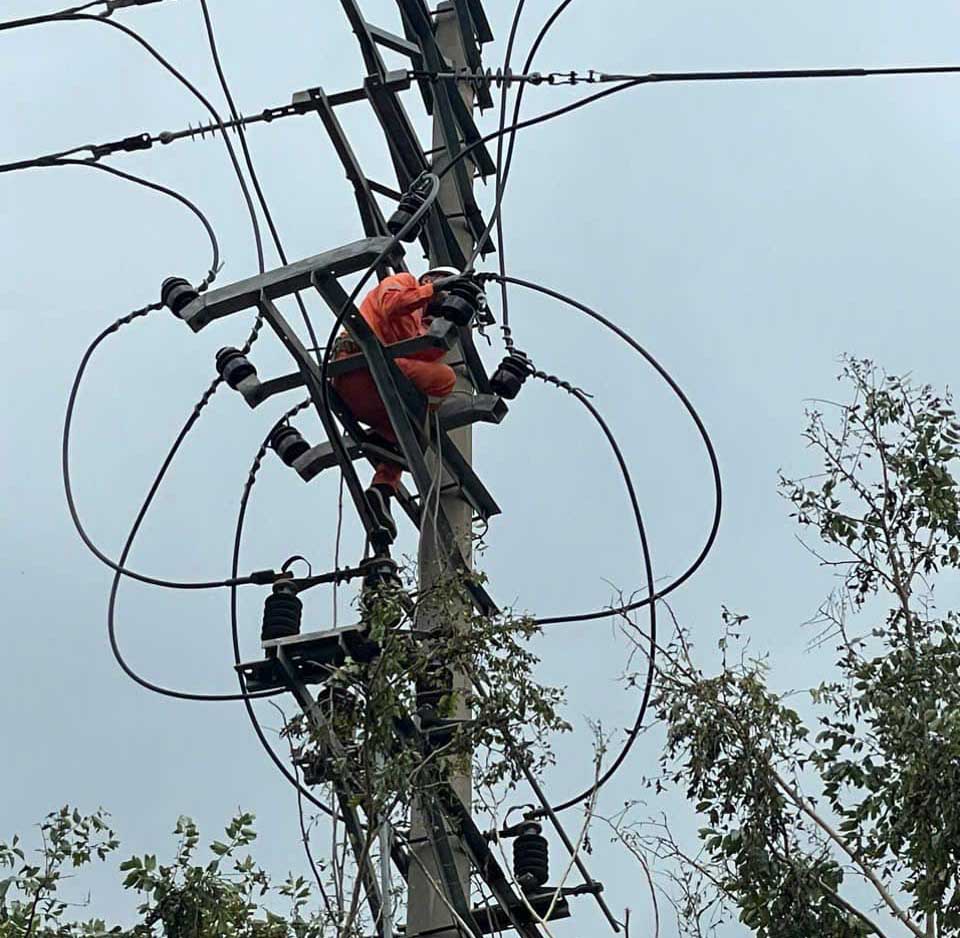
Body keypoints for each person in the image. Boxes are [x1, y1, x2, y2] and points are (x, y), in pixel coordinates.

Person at [332, 266, 464, 541]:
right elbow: (392, 304)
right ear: (429, 279)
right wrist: (433, 291)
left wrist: (456, 317)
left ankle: (382, 489)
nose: (446, 294)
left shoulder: (420, 324)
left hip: (374, 393)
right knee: (444, 380)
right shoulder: (403, 282)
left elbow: (423, 356)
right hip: (359, 365)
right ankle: (392, 441)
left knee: (407, 433)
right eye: (446, 286)